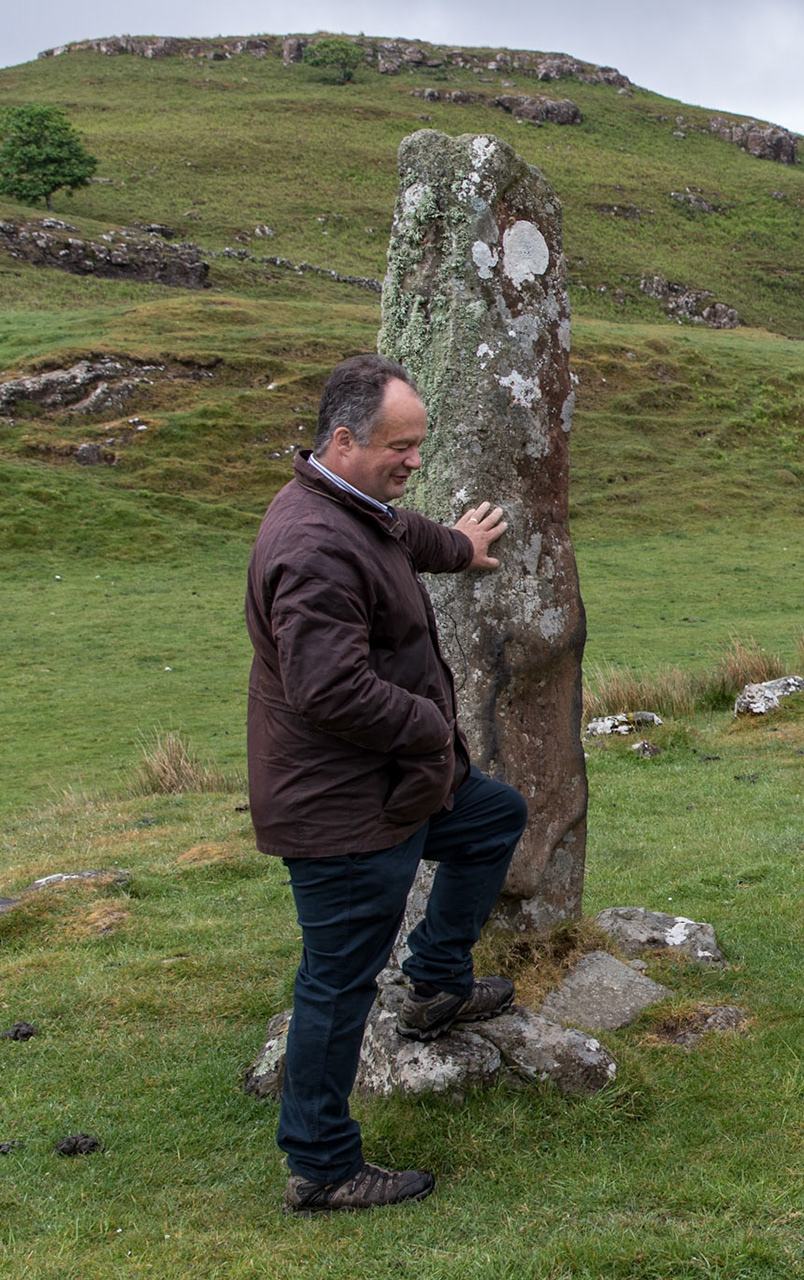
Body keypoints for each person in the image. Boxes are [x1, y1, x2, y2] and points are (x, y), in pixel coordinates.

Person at [246, 353, 526, 1212]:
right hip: (341, 808)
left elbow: (398, 531)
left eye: (418, 446)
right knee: (336, 983)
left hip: (394, 788)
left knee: (491, 818)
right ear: (343, 438)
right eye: (399, 447)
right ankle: (322, 1165)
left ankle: (438, 980)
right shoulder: (313, 545)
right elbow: (328, 689)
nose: (413, 462)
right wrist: (433, 729)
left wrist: (460, 546)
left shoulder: (348, 504)